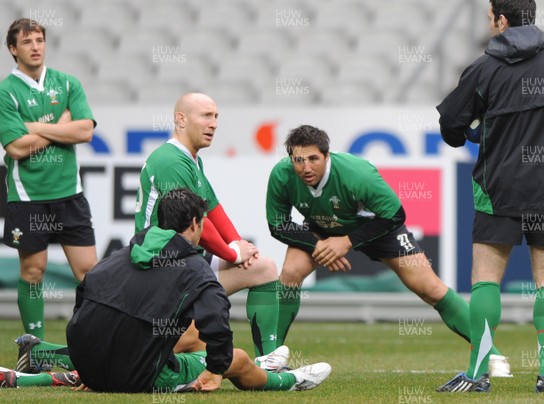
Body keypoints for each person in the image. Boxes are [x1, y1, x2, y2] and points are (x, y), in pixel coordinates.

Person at [3, 188, 331, 392]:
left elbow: (85, 295)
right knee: (238, 360)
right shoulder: (195, 269)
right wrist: (216, 369)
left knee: (188, 339)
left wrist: (90, 362)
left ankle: (38, 361)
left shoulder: (120, 257)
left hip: (94, 357)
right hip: (132, 375)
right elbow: (217, 320)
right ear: (194, 225)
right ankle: (289, 380)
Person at [436, 0, 544, 393]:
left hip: (500, 187)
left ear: (502, 19)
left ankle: (477, 375)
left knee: (486, 281)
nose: (489, 24)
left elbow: (450, 124)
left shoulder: (484, 66)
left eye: (489, 17)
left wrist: (473, 133)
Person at [266, 124, 511, 377]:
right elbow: (278, 225)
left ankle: (490, 353)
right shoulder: (282, 175)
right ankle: (271, 358)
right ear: (290, 159)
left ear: (327, 156)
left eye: (313, 159)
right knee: (290, 273)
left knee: (430, 289)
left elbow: (394, 215)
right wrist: (319, 245)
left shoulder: (357, 174)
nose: (306, 168)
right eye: (298, 160)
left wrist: (346, 242)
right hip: (322, 229)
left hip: (377, 227)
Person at [133, 93, 280, 360]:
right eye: (206, 116)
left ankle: (268, 362)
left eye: (216, 117)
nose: (213, 124)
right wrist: (232, 253)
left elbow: (211, 208)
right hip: (160, 273)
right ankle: (48, 357)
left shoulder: (192, 159)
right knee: (150, 352)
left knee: (263, 267)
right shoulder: (170, 161)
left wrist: (242, 246)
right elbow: (194, 222)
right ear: (181, 119)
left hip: (185, 267)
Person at [0, 18, 97, 340]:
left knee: (89, 274)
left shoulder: (67, 83)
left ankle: (85, 342)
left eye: (39, 39)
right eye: (27, 42)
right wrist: (62, 126)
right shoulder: (5, 91)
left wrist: (35, 127)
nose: (36, 46)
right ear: (13, 49)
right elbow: (15, 148)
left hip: (70, 193)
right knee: (33, 272)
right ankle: (33, 347)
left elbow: (85, 131)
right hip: (28, 197)